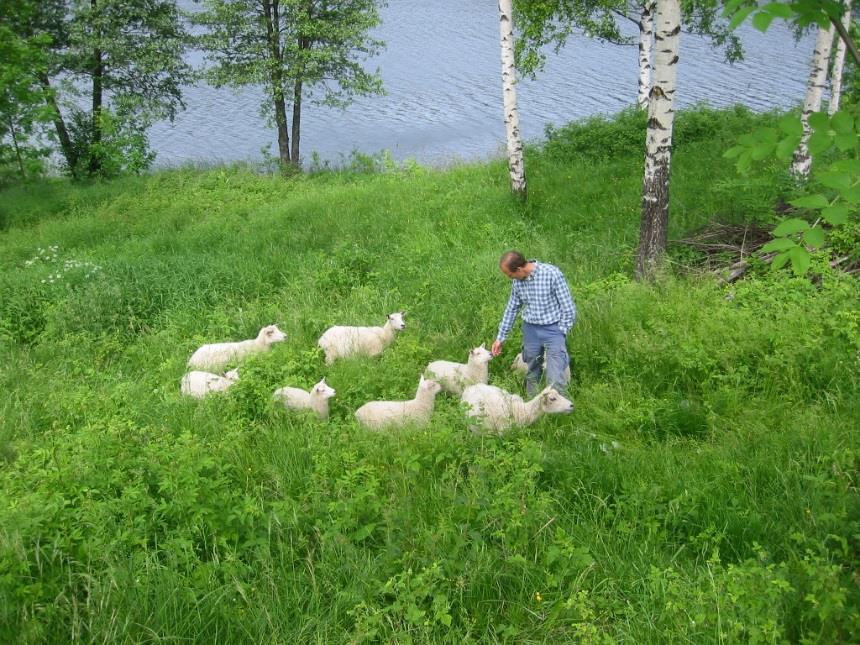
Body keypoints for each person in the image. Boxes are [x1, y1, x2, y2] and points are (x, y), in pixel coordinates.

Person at [491, 250, 576, 397]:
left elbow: (568, 308)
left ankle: (558, 411)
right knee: (532, 370)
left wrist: (560, 332)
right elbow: (512, 309)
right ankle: (532, 405)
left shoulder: (552, 274)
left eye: (509, 275)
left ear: (518, 269)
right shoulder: (517, 282)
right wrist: (500, 338)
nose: (509, 278)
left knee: (555, 374)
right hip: (530, 330)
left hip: (553, 330)